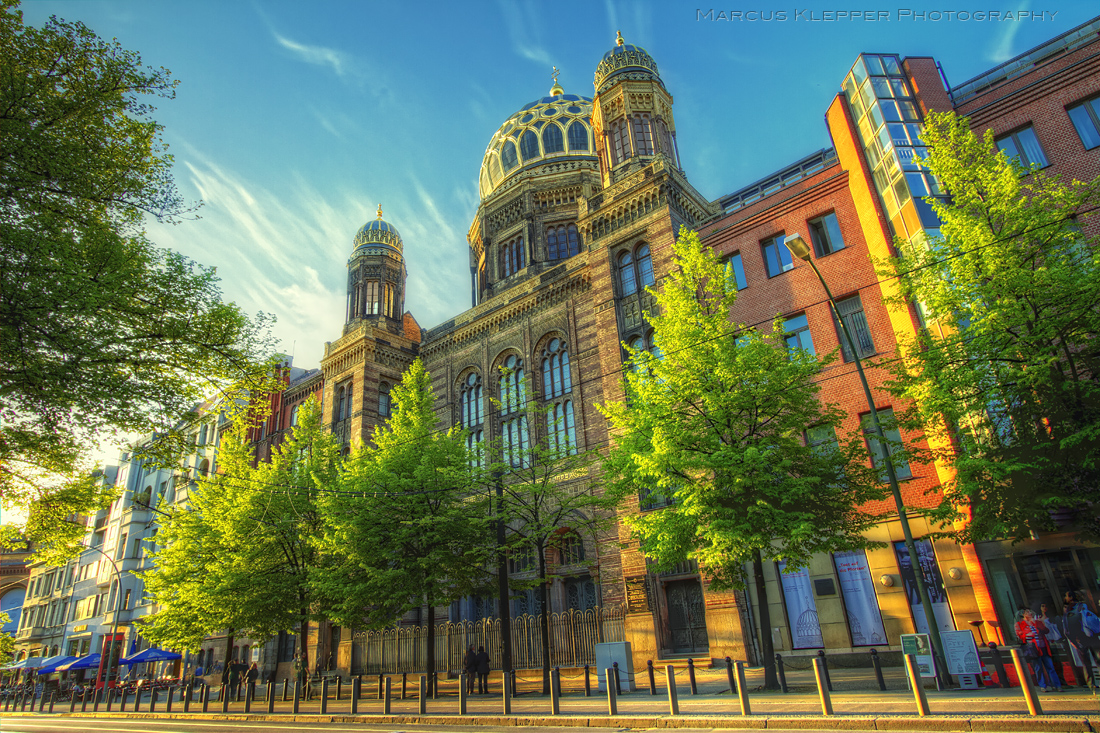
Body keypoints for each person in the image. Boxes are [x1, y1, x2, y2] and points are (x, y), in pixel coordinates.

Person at [1016, 607, 1062, 692]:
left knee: (1050, 667)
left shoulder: (1037, 622)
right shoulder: (1019, 624)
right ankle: (1043, 686)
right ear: (1023, 614)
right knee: (1038, 668)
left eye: (1030, 611)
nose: (1029, 613)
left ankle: (1057, 685)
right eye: (1027, 612)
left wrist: (1037, 624)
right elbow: (1020, 636)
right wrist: (1027, 634)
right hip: (1033, 649)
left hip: (1043, 647)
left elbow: (1046, 631)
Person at [1061, 590, 1100, 686]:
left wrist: (1074, 642)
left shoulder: (1068, 609)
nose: (1065, 598)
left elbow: (1067, 629)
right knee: (1098, 659)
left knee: (1086, 664)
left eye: (1066, 596)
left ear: (1070, 598)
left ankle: (1092, 685)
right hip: (1092, 636)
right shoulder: (1085, 606)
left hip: (1080, 639)